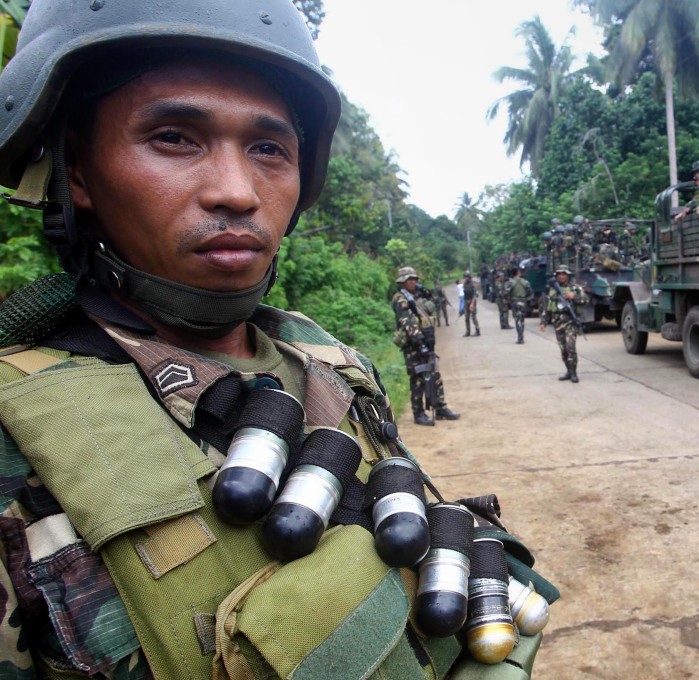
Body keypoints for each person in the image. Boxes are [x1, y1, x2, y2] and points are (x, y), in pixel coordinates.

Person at [0, 2, 554, 677]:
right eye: (174, 136)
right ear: (78, 171)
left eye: (268, 148)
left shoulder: (321, 354)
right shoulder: (17, 431)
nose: (236, 191)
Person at [392, 268, 460, 426]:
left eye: (414, 279)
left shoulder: (417, 295)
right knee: (417, 379)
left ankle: (440, 407)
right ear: (402, 281)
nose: (413, 282)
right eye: (410, 279)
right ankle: (419, 413)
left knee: (434, 374)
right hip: (413, 345)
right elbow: (408, 322)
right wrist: (420, 343)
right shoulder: (400, 299)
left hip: (426, 342)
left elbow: (432, 303)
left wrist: (425, 291)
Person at [539, 267, 588, 383]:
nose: (561, 276)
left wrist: (574, 296)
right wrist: (544, 322)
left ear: (568, 276)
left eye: (564, 274)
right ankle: (568, 371)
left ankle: (574, 373)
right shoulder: (552, 289)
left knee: (571, 347)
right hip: (557, 323)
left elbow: (586, 299)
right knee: (563, 349)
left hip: (570, 321)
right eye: (559, 274)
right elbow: (547, 307)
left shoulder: (575, 288)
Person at [506, 266, 535, 344]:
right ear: (518, 273)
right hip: (523, 303)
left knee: (517, 320)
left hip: (515, 302)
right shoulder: (525, 282)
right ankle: (521, 337)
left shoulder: (510, 283)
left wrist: (508, 299)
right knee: (522, 320)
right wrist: (526, 299)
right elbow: (531, 294)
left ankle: (520, 337)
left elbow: (505, 293)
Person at [462, 271, 480, 336]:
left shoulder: (473, 284)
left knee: (473, 317)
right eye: (465, 277)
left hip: (472, 301)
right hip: (466, 301)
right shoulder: (464, 284)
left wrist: (472, 303)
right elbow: (464, 294)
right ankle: (468, 331)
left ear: (469, 277)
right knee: (466, 317)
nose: (466, 278)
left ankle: (477, 331)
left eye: (467, 276)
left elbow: (475, 294)